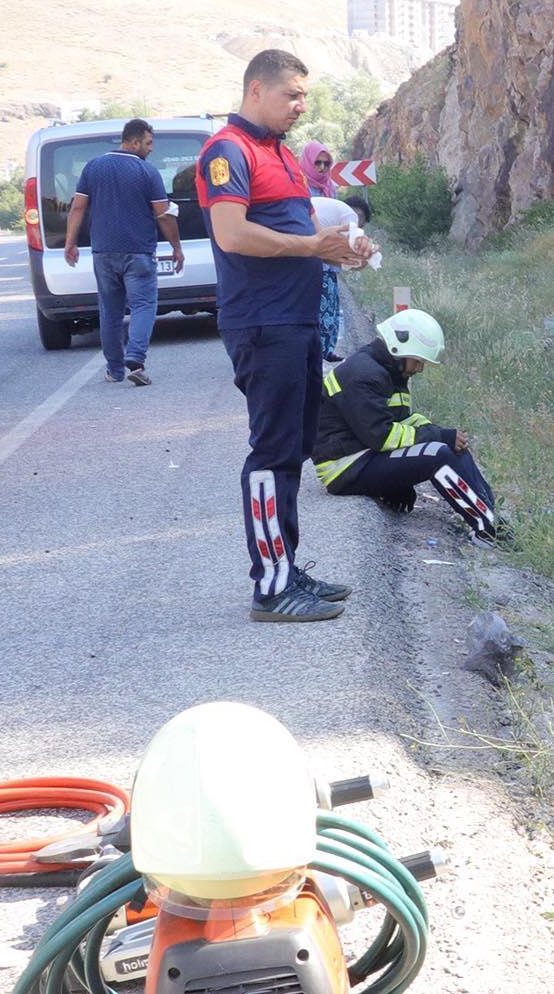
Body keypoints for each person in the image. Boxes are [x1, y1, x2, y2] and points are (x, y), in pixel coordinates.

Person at [199, 50, 374, 623]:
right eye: (291, 95)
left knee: (294, 450)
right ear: (256, 90)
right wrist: (310, 248)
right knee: (271, 454)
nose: (301, 106)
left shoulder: (278, 153)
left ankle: (286, 568)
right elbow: (231, 234)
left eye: (303, 96)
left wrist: (344, 248)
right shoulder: (229, 151)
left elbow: (299, 228)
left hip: (295, 320)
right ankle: (271, 589)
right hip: (263, 322)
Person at [313, 307, 504, 539]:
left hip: (363, 455)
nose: (420, 368)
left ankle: (492, 515)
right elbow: (381, 436)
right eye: (418, 361)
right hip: (346, 468)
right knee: (440, 453)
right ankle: (490, 532)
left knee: (453, 445)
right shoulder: (364, 374)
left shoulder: (390, 370)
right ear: (400, 347)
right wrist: (438, 438)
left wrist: (441, 437)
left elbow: (404, 420)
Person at [63, 120, 184, 385]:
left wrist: (70, 242)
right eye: (148, 143)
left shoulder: (93, 167)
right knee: (143, 305)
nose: (151, 149)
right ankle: (136, 360)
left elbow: (78, 208)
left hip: (103, 252)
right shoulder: (146, 172)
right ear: (134, 142)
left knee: (110, 311)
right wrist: (176, 246)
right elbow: (163, 214)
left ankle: (115, 370)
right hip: (138, 252)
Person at [301, 139, 346, 360]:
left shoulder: (331, 187)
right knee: (312, 306)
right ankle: (313, 350)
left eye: (325, 164)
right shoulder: (300, 185)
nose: (321, 168)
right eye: (317, 162)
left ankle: (327, 348)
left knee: (331, 303)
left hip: (329, 256)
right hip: (307, 253)